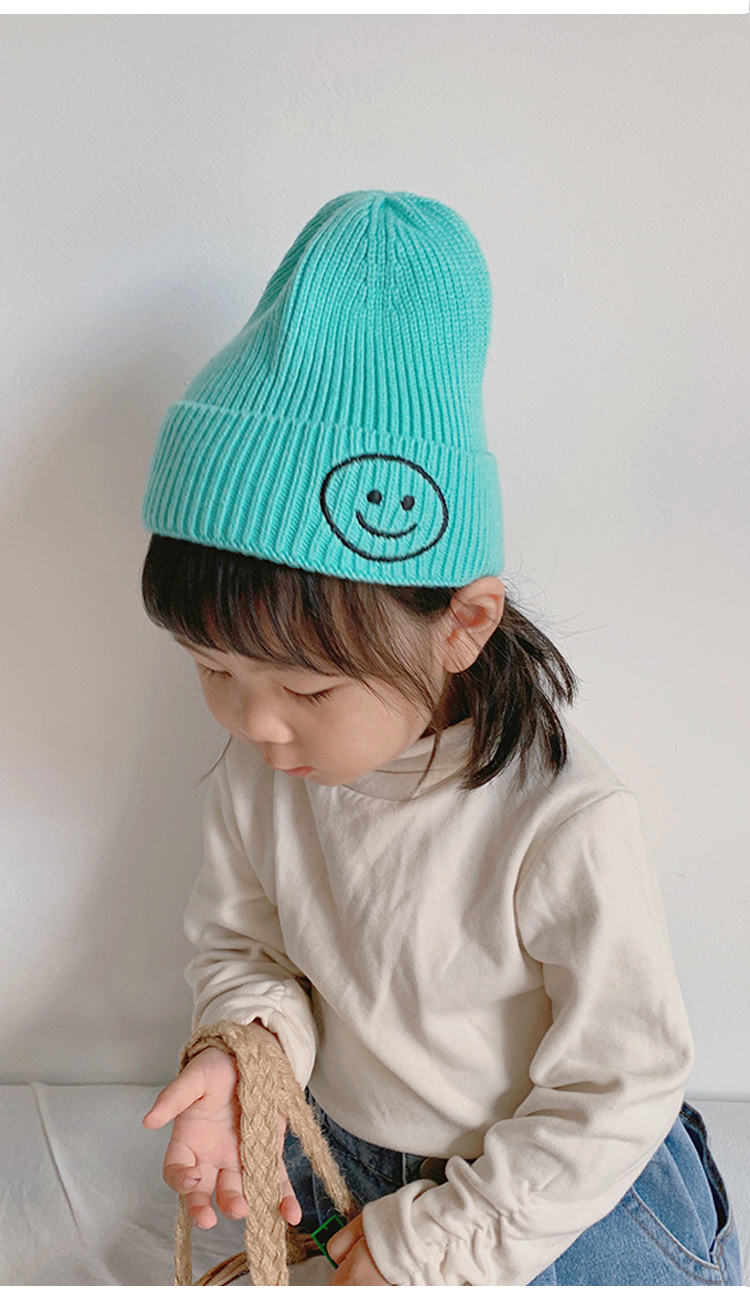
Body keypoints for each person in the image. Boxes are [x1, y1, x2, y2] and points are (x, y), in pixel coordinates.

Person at [139, 191, 742, 1286]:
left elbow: (620, 1083)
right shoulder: (266, 763)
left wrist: (444, 1242)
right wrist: (247, 1056)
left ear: (462, 623)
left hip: (548, 1179)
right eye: (212, 669)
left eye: (306, 686)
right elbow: (252, 950)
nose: (254, 720)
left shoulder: (560, 820)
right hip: (348, 1151)